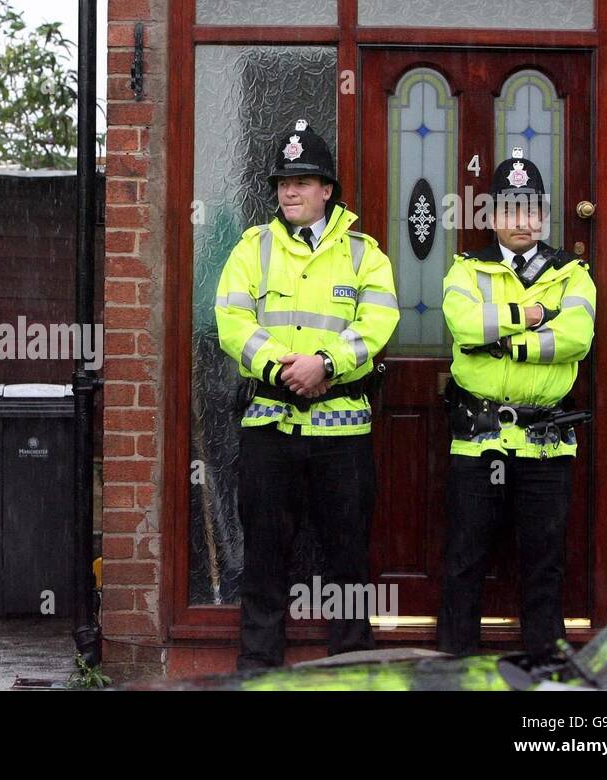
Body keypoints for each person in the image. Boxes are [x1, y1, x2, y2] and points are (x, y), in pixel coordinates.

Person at [214, 119, 400, 669]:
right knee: (266, 555)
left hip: (343, 433)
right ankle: (258, 668)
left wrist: (325, 364)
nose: (288, 192)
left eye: (301, 181)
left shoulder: (365, 254)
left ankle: (352, 667)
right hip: (270, 427)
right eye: (282, 183)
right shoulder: (254, 247)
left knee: (348, 557)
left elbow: (378, 321)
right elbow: (230, 319)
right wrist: (282, 370)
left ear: (327, 190)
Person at [438, 147, 596, 660]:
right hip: (477, 436)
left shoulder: (572, 272)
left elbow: (576, 337)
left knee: (543, 559)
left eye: (532, 209)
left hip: (545, 443)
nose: (522, 220)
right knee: (464, 557)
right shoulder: (466, 269)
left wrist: (508, 339)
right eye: (510, 209)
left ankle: (545, 667)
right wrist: (531, 314)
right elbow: (464, 325)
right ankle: (455, 668)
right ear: (492, 216)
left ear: (544, 216)